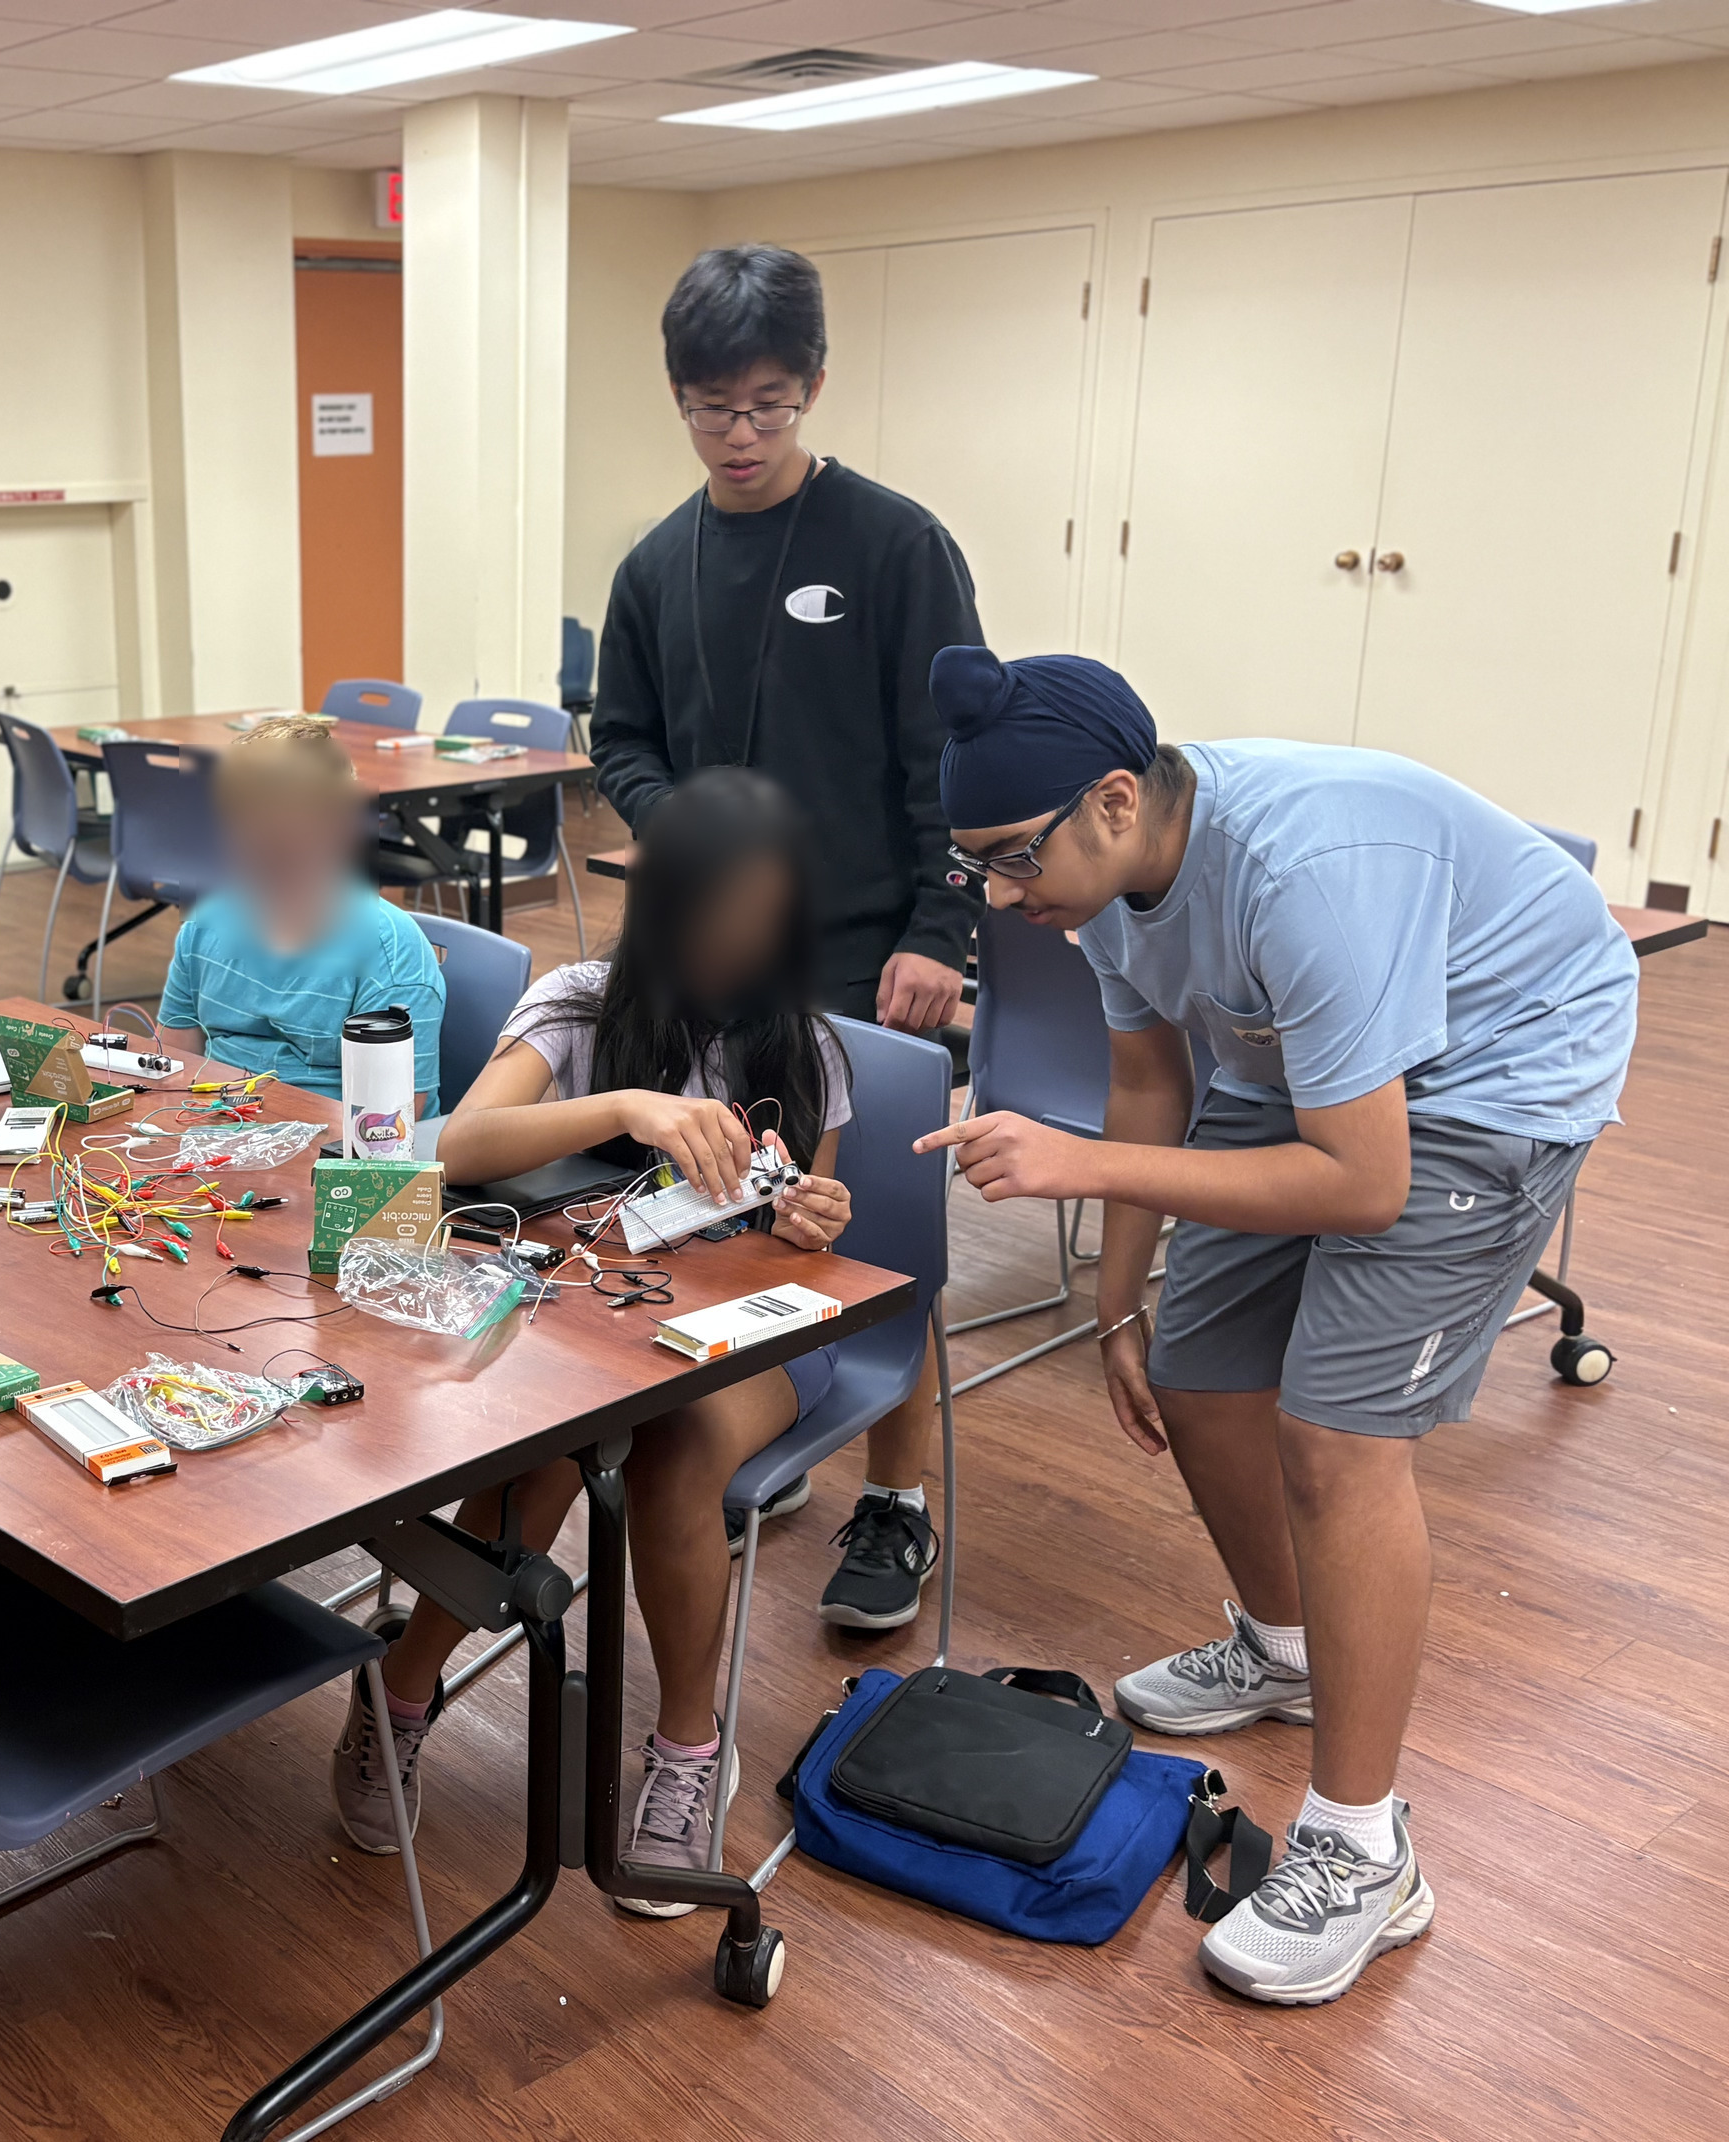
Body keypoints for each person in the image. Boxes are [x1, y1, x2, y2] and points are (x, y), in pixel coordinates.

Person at [919, 646, 1635, 2005]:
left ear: (1115, 800)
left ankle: (1367, 1850)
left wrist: (1078, 1169)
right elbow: (1148, 1080)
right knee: (1196, 1380)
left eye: (1013, 859)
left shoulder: (1302, 875)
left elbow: (1365, 1185)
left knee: (1335, 1444)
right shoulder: (1107, 886)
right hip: (1298, 1056)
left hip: (1496, 1066)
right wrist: (1116, 1303)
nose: (1003, 897)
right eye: (978, 870)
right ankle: (1288, 1649)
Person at [333, 769, 940, 1905]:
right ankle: (399, 1694)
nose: (738, 947)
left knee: (673, 1453)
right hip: (593, 1314)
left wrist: (810, 1216)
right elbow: (454, 1145)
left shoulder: (804, 1043)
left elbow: (808, 1237)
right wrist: (625, 1107)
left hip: (756, 1334)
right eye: (718, 917)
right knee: (549, 1448)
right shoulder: (578, 1005)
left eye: (763, 923)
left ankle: (687, 1753)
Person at [590, 245, 982, 1038]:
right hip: (697, 942)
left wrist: (940, 933)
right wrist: (678, 822)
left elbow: (955, 752)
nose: (742, 437)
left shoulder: (899, 545)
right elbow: (622, 741)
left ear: (814, 388)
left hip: (859, 956)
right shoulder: (652, 567)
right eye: (713, 408)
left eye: (770, 407)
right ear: (677, 395)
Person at [155, 714, 446, 1114]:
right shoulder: (206, 924)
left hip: (335, 1139)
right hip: (217, 1124)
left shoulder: (390, 953)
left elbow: (386, 1122)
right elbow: (173, 1064)